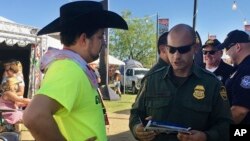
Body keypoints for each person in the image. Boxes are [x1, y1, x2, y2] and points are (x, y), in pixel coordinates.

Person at [22, 1, 128, 141]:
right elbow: (34, 116)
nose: (104, 42)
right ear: (84, 39)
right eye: (100, 36)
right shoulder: (69, 68)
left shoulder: (74, 66)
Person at [129, 24, 232, 141]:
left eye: (183, 50)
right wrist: (136, 128)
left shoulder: (213, 84)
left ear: (195, 48)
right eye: (171, 50)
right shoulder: (151, 80)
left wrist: (205, 137)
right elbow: (136, 113)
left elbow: (225, 125)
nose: (176, 56)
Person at [217, 30, 250, 124]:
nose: (226, 53)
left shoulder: (246, 70)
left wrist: (216, 130)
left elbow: (239, 111)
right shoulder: (242, 67)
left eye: (227, 48)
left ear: (238, 47)